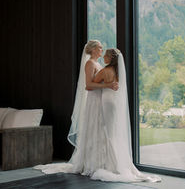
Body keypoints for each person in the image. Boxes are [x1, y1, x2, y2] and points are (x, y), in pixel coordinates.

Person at [35, 40, 160, 183]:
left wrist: (108, 85)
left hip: (101, 100)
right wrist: (108, 85)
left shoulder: (100, 66)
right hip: (94, 101)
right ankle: (92, 162)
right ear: (93, 50)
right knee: (95, 129)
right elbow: (88, 85)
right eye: (100, 47)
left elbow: (101, 80)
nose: (102, 49)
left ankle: (102, 161)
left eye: (102, 48)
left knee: (101, 129)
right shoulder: (89, 64)